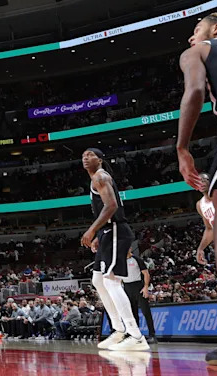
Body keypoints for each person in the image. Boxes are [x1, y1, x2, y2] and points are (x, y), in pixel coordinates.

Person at [177, 11, 217, 366]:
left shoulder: (199, 51)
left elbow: (196, 91)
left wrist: (182, 148)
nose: (191, 37)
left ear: (215, 30)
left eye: (195, 29)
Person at [80, 147, 149, 351]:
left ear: (100, 160)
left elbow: (111, 206)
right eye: (83, 155)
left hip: (116, 229)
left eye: (90, 155)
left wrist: (92, 231)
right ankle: (118, 330)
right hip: (108, 232)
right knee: (97, 280)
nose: (85, 157)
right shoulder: (96, 179)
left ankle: (135, 336)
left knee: (111, 281)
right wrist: (99, 235)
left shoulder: (100, 176)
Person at [121, 246, 156, 344]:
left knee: (146, 311)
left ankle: (152, 335)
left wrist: (145, 287)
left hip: (138, 286)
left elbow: (146, 273)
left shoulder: (137, 259)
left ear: (130, 248)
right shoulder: (120, 261)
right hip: (127, 287)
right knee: (132, 313)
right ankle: (135, 335)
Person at [197, 192, 216, 265]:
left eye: (205, 179)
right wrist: (201, 248)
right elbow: (210, 229)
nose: (202, 181)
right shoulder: (201, 205)